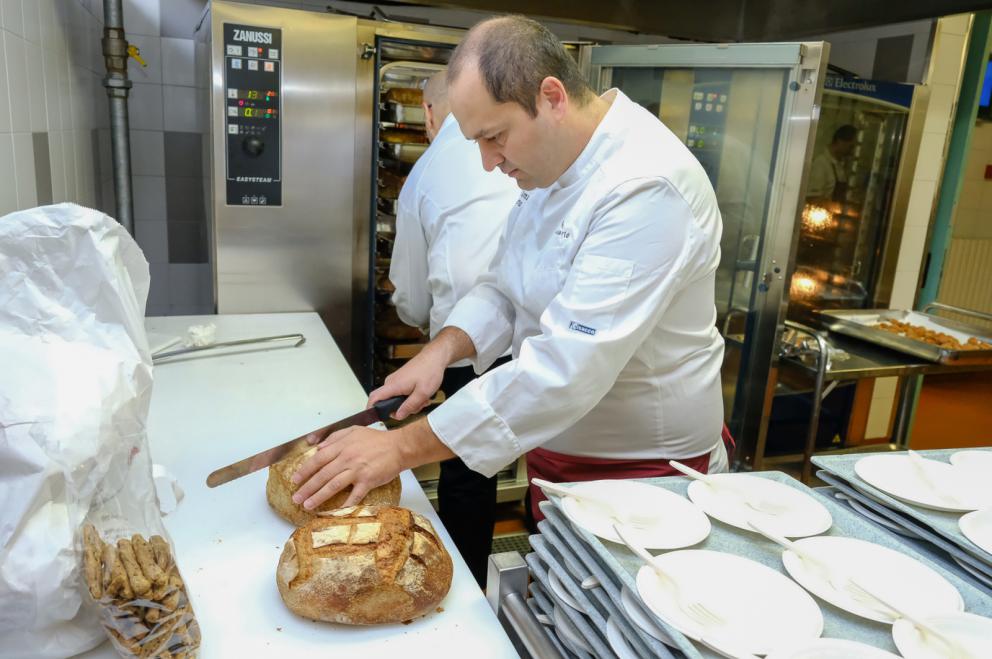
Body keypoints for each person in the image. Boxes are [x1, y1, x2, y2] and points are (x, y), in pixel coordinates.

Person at [290, 15, 729, 532]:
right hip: (559, 449)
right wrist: (441, 351)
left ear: (551, 97)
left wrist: (399, 447)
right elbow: (504, 284)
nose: (487, 163)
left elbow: (566, 369)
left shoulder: (646, 186)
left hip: (643, 472)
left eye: (494, 137)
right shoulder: (553, 164)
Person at [387, 71, 519, 587]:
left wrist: (426, 335)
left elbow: (412, 296)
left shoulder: (425, 174)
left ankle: (462, 585)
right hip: (501, 338)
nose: (490, 159)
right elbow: (503, 283)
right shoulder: (520, 164)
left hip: (473, 353)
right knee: (481, 458)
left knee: (466, 474)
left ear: (427, 112)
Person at [806, 124, 857, 203]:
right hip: (822, 213)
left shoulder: (840, 166)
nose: (852, 152)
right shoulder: (821, 164)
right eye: (851, 147)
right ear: (840, 141)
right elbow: (812, 199)